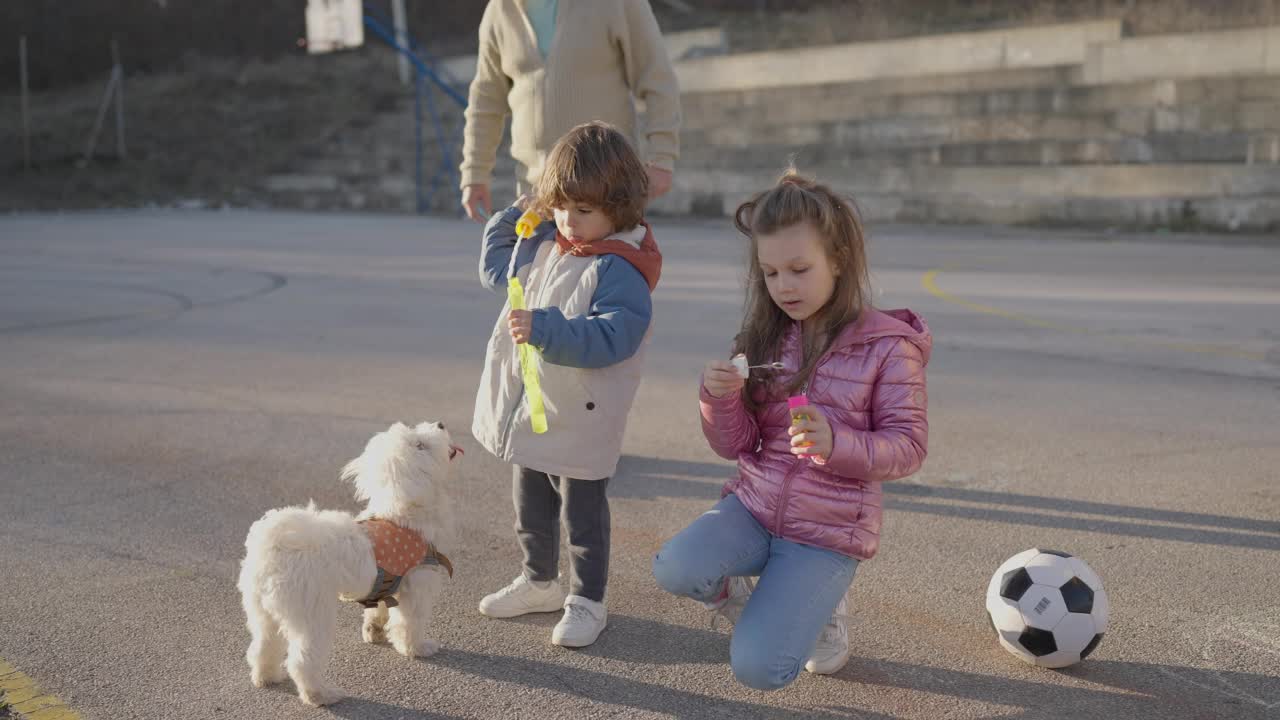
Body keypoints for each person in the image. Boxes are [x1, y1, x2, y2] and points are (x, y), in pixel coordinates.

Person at [651, 170, 931, 690]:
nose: (784, 287)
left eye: (799, 269)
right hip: (754, 506)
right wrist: (718, 398)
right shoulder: (763, 338)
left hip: (826, 532)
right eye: (771, 272)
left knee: (760, 669)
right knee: (674, 567)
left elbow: (910, 447)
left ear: (839, 260)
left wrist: (837, 443)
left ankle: (822, 607)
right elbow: (734, 445)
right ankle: (763, 599)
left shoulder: (890, 347)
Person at [471, 122, 661, 648]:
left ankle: (586, 600)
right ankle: (538, 581)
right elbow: (494, 270)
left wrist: (548, 330)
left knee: (582, 514)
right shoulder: (551, 241)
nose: (568, 221)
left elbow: (616, 335)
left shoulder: (619, 266)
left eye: (583, 211)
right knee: (529, 502)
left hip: (582, 413)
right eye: (560, 207)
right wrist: (517, 215)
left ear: (618, 207)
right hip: (534, 403)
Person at [459, 0, 681, 221]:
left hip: (605, 194)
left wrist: (662, 157)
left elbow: (658, 80)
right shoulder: (500, 9)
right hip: (535, 196)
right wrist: (475, 174)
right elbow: (485, 100)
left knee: (610, 259)